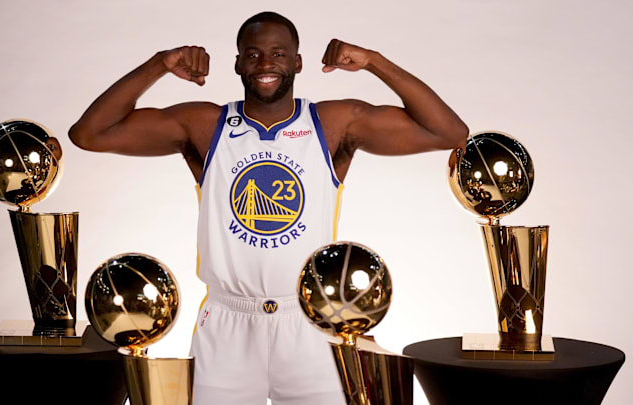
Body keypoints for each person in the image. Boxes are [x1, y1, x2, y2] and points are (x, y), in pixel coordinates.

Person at [70, 11, 468, 405]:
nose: (265, 64)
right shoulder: (207, 125)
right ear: (238, 63)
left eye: (278, 54)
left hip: (312, 321)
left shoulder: (330, 123)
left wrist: (374, 62)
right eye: (253, 53)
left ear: (297, 62)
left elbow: (448, 132)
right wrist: (160, 64)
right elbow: (89, 134)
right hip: (227, 323)